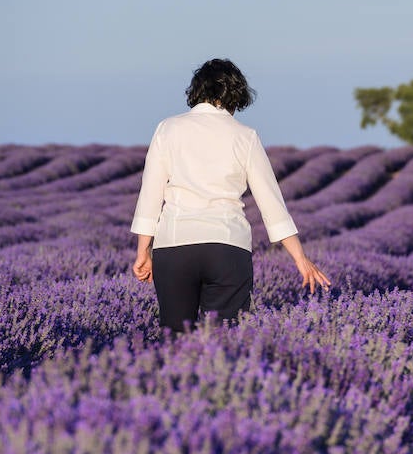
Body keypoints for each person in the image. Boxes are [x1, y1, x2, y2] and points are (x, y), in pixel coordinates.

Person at [131, 58, 330, 333]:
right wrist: (300, 257)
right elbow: (271, 202)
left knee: (174, 340)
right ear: (235, 95)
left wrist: (144, 250)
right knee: (225, 342)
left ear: (198, 92)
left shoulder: (168, 128)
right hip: (227, 247)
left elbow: (151, 193)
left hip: (175, 245)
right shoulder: (245, 136)